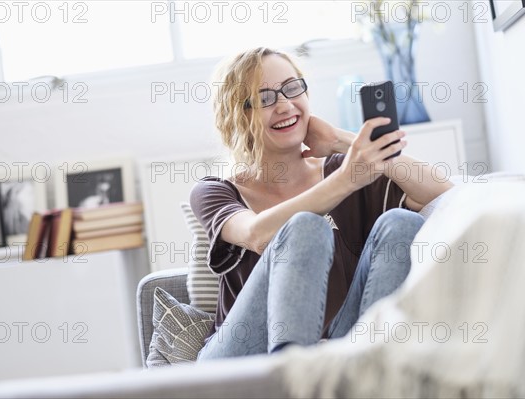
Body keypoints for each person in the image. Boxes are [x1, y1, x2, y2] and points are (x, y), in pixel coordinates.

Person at [190, 47, 453, 360]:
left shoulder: (345, 168)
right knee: (304, 226)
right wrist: (346, 180)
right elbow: (257, 235)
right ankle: (293, 375)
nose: (285, 105)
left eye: (291, 88)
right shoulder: (216, 192)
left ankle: (368, 370)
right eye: (264, 98)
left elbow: (442, 196)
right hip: (239, 356)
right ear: (238, 115)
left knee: (404, 224)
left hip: (337, 352)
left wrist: (342, 141)